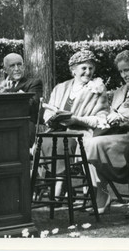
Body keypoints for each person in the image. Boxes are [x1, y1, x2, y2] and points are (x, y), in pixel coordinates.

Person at [84, 50, 129, 214]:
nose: (123, 75)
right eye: (120, 71)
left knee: (93, 143)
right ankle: (102, 192)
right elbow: (110, 111)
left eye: (127, 70)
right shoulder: (120, 91)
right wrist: (107, 117)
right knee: (86, 140)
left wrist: (124, 121)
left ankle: (102, 192)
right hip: (117, 134)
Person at [41, 49, 110, 194]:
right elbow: (47, 111)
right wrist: (51, 118)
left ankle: (58, 188)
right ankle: (57, 185)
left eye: (91, 68)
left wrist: (76, 119)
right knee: (45, 142)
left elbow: (101, 119)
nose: (88, 72)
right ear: (73, 70)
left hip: (79, 133)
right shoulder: (60, 88)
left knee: (60, 144)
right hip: (56, 130)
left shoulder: (97, 89)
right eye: (83, 68)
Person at [0, 53, 43, 147]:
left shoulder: (33, 83)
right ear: (5, 69)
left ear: (23, 66)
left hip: (24, 127)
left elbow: (33, 106)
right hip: (2, 127)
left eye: (19, 64)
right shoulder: (0, 85)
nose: (17, 69)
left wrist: (7, 94)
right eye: (12, 66)